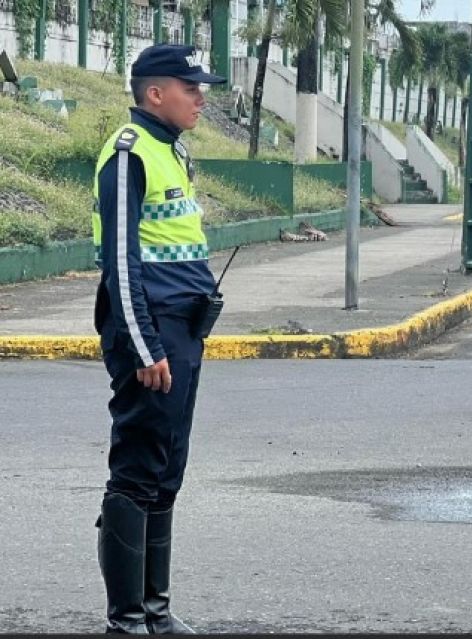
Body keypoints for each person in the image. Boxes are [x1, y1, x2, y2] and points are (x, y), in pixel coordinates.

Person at [92, 44, 225, 634]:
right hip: (152, 334)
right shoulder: (129, 155)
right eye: (190, 88)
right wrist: (147, 347)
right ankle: (126, 622)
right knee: (138, 471)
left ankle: (155, 612)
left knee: (166, 469)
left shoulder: (171, 151)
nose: (201, 98)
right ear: (154, 94)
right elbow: (120, 266)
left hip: (182, 329)